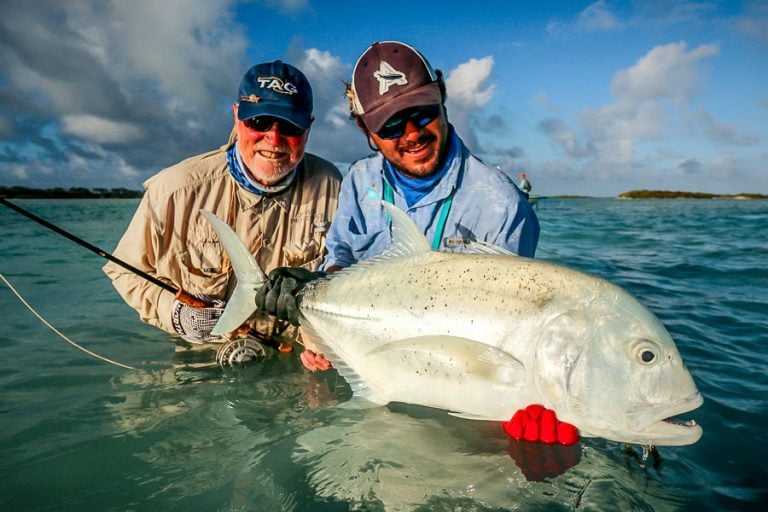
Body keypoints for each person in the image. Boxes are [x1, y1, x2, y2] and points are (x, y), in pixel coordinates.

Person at [104, 60, 341, 359]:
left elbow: (347, 272)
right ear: (237, 116)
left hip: (295, 357)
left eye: (291, 125)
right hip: (202, 358)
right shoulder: (175, 189)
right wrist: (174, 313)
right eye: (259, 122)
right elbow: (124, 270)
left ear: (309, 127)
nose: (274, 138)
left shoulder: (333, 187)